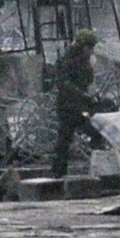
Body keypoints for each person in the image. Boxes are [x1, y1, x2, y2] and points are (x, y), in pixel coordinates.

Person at [43, 28, 99, 178]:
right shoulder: (65, 61)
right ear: (82, 46)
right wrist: (82, 95)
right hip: (67, 107)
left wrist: (90, 96)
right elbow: (63, 84)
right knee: (64, 141)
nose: (91, 52)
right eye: (89, 48)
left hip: (81, 106)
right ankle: (58, 175)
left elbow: (88, 81)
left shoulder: (85, 61)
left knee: (96, 132)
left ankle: (98, 169)